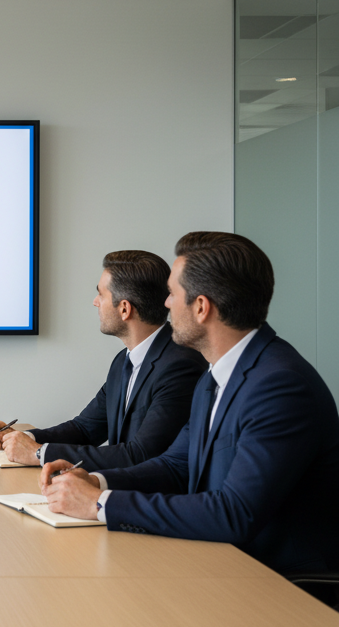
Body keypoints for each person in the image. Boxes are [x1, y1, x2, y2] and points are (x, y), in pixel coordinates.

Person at [40, 231, 339, 575]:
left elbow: (234, 513)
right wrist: (98, 481)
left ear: (201, 307)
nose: (164, 304)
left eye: (172, 294)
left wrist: (99, 504)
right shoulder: (215, 375)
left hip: (278, 584)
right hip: (219, 563)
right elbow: (175, 465)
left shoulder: (280, 386)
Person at [0, 250, 205, 468]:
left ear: (124, 309)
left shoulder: (180, 366)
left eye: (101, 295)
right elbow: (85, 429)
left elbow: (141, 454)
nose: (95, 302)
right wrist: (23, 438)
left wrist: (39, 453)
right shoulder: (124, 361)